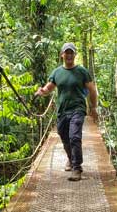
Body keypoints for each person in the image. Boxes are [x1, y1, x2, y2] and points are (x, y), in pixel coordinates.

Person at [36, 42, 98, 181]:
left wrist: (93, 107)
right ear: (62, 55)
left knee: (74, 137)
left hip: (78, 108)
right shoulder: (57, 72)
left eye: (71, 53)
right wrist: (42, 91)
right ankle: (70, 158)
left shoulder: (82, 71)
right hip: (62, 110)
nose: (69, 55)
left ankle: (77, 168)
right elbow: (49, 88)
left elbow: (92, 89)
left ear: (74, 55)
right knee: (64, 137)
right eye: (67, 52)